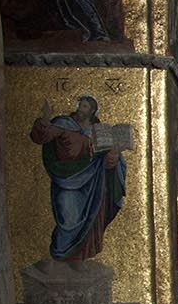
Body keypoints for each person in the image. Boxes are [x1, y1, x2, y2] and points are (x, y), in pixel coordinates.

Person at [29, 95, 126, 261]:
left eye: (85, 107)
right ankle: (59, 255)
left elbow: (107, 162)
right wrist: (45, 119)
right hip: (67, 178)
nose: (81, 109)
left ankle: (78, 260)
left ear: (92, 111)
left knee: (90, 217)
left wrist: (114, 154)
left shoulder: (99, 130)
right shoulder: (64, 124)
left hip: (93, 183)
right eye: (80, 105)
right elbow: (42, 136)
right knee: (69, 218)